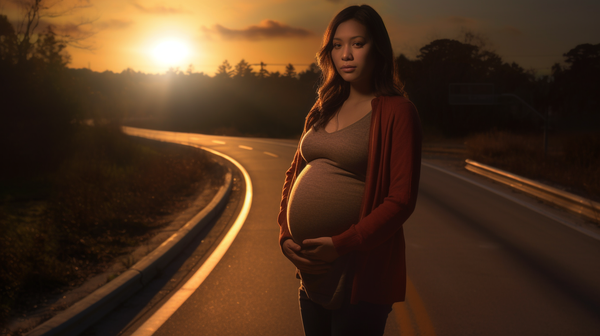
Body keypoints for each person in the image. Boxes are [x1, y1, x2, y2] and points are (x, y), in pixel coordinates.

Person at [277, 4, 422, 336]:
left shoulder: (398, 112)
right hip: (312, 272)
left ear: (378, 49)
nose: (347, 54)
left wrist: (341, 244)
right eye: (337, 45)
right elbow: (292, 175)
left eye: (358, 43)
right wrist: (284, 235)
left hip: (358, 274)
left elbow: (400, 201)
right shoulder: (322, 107)